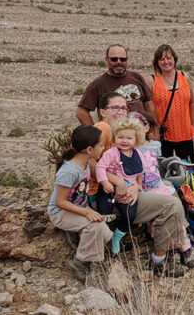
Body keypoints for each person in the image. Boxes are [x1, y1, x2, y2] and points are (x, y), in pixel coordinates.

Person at [132, 112, 194, 268]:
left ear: (146, 128)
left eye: (137, 128)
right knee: (159, 215)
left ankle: (180, 245)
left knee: (174, 206)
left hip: (157, 184)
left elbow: (158, 166)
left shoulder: (153, 146)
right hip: (144, 189)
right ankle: (174, 247)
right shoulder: (128, 149)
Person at [47, 125, 111, 281]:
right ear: (89, 149)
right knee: (94, 226)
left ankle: (87, 252)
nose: (103, 148)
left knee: (106, 234)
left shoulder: (87, 163)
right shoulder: (69, 171)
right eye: (101, 145)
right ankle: (80, 262)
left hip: (79, 208)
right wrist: (86, 212)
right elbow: (60, 201)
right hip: (60, 212)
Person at [95, 116, 145, 254]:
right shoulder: (111, 153)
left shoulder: (138, 154)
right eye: (120, 137)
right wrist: (104, 182)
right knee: (104, 212)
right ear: (114, 137)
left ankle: (117, 236)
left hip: (128, 190)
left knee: (130, 214)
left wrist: (138, 185)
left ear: (136, 139)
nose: (124, 141)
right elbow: (100, 167)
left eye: (129, 138)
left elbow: (140, 171)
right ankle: (103, 239)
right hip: (108, 189)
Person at [76, 44, 157, 125]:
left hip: (140, 133)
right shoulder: (97, 84)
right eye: (114, 59)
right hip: (114, 135)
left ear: (127, 60)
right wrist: (96, 134)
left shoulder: (137, 77)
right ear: (106, 60)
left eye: (122, 59)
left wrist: (154, 128)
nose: (119, 62)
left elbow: (149, 105)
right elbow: (81, 113)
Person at [145, 44, 194, 160]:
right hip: (163, 135)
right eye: (162, 59)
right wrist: (153, 129)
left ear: (174, 59)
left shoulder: (185, 77)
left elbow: (192, 103)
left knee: (188, 170)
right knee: (165, 171)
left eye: (169, 58)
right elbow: (148, 108)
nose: (166, 62)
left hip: (184, 133)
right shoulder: (152, 81)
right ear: (157, 62)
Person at [87, 92, 129, 202]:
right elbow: (88, 160)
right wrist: (116, 180)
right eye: (115, 107)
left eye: (124, 108)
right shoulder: (103, 128)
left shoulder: (120, 133)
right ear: (102, 112)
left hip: (113, 188)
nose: (121, 112)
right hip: (97, 191)